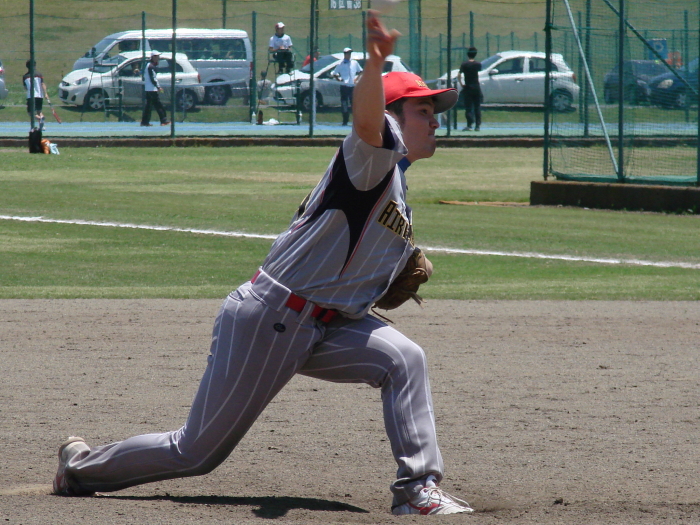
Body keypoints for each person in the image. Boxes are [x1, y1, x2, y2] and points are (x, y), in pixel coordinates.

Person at [52, 11, 474, 516]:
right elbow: (366, 121)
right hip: (272, 318)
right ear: (393, 117)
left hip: (329, 325)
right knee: (196, 452)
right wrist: (375, 64)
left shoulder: (396, 186)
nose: (435, 120)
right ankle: (79, 468)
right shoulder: (370, 159)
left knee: (404, 358)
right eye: (423, 110)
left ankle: (416, 490)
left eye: (434, 111)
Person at [332, 47, 363, 126]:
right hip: (344, 86)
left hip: (352, 86)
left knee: (354, 104)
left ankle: (356, 121)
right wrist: (339, 79)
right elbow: (334, 73)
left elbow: (360, 71)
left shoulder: (354, 63)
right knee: (344, 104)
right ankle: (345, 121)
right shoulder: (340, 64)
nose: (348, 55)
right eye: (347, 53)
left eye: (349, 53)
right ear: (344, 54)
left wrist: (356, 79)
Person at [140, 51, 169, 127]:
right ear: (153, 57)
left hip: (149, 89)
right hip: (152, 89)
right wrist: (158, 87)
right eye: (157, 56)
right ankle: (163, 121)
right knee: (158, 105)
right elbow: (153, 78)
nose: (158, 58)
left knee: (148, 107)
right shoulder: (150, 66)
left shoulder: (149, 65)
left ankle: (144, 122)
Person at [458, 47, 482, 131]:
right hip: (476, 87)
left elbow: (459, 75)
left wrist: (461, 84)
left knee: (468, 107)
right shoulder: (478, 64)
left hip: (468, 87)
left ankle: (469, 124)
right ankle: (477, 126)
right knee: (477, 106)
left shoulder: (464, 64)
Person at [23, 60, 48, 130]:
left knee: (30, 113)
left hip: (31, 96)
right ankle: (42, 125)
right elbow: (42, 84)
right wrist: (45, 93)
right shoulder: (39, 74)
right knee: (39, 111)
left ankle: (40, 119)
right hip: (39, 96)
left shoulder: (25, 76)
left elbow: (25, 87)